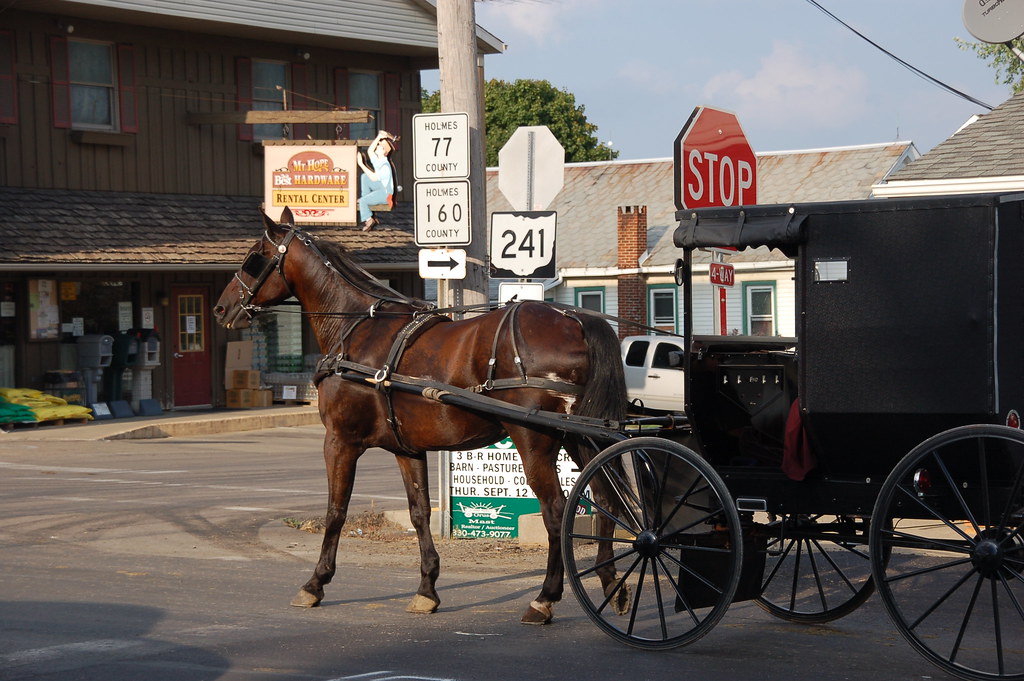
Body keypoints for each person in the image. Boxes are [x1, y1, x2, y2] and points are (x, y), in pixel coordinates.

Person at [357, 130, 398, 231]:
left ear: (384, 151)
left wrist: (361, 164)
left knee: (362, 201)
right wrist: (379, 137)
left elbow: (374, 178)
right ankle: (366, 198)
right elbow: (370, 151)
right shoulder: (378, 160)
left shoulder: (385, 165)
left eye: (379, 146)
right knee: (364, 177)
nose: (376, 147)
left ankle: (369, 219)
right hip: (381, 188)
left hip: (385, 193)